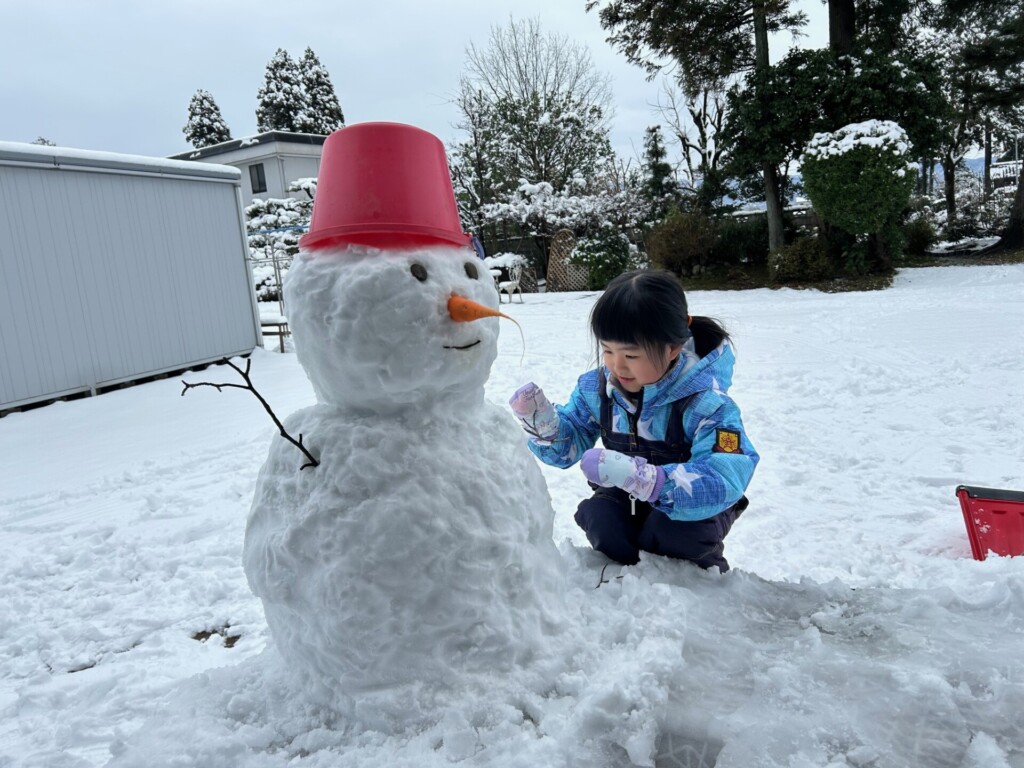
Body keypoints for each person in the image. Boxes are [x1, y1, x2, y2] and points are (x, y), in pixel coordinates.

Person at [509, 269, 758, 572]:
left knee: (673, 534)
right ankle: (634, 582)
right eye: (608, 350)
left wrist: (647, 480)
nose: (617, 365)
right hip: (626, 496)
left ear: (672, 348)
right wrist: (545, 425)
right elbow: (569, 447)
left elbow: (726, 474)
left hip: (691, 507)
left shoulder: (706, 403)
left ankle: (696, 587)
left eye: (631, 355)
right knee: (602, 520)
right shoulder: (597, 390)